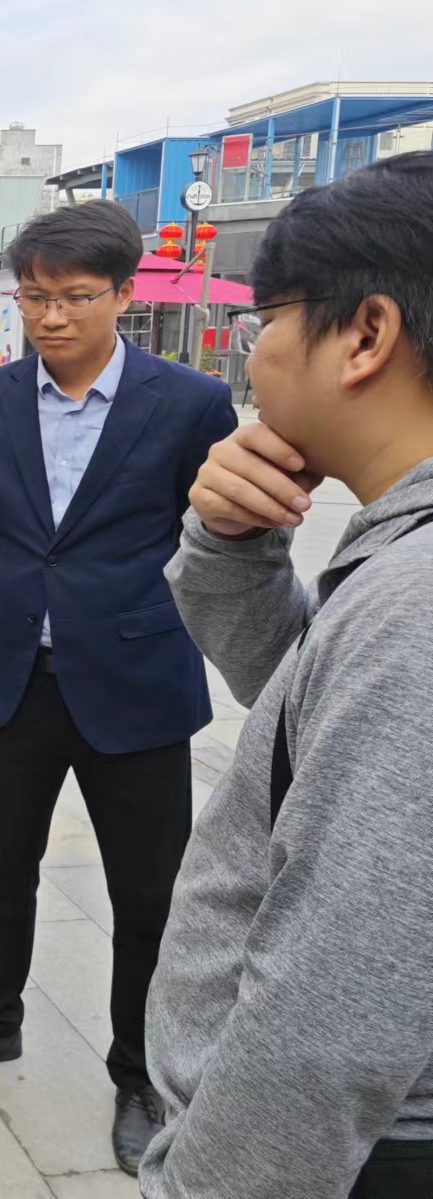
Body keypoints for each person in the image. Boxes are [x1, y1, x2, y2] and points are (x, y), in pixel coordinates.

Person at [0, 201, 237, 1175]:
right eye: (34, 296)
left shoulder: (191, 404)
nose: (51, 316)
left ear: (124, 294)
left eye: (76, 296)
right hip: (15, 674)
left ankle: (139, 1071)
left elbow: (206, 542)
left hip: (136, 679)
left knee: (147, 891)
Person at [143, 152, 433, 1198]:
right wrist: (229, 542)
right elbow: (301, 703)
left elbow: (334, 1012)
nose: (252, 353)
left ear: (365, 335)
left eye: (264, 320)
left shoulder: (417, 602)